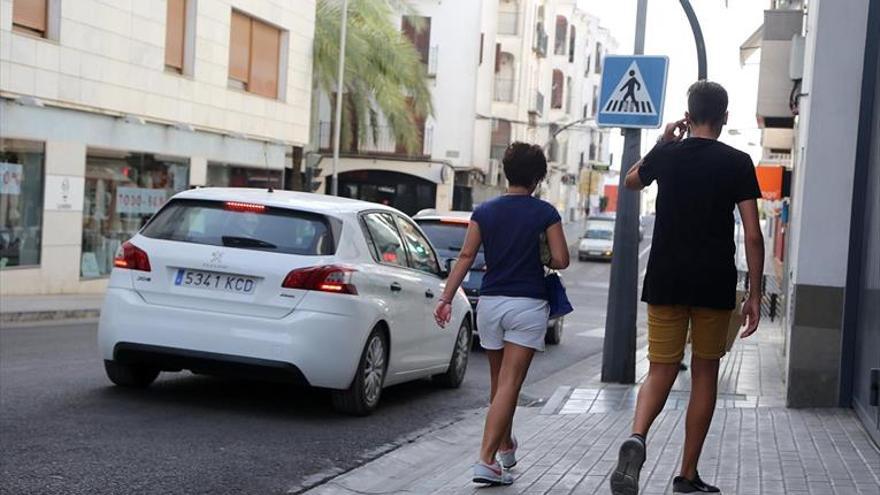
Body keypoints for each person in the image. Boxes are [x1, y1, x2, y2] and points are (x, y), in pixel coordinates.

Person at [610, 81, 764, 495]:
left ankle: (638, 436)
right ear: (726, 117)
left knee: (660, 368)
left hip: (665, 278)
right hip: (714, 282)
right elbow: (752, 234)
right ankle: (687, 475)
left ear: (688, 115)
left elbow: (630, 182)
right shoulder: (738, 162)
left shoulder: (668, 155)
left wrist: (661, 143)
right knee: (704, 373)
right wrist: (754, 293)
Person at [434, 142, 570, 486]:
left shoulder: (485, 211)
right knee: (510, 384)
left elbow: (465, 256)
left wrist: (446, 298)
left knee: (500, 385)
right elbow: (562, 260)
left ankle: (506, 445)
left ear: (506, 172)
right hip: (527, 305)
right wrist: (542, 257)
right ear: (538, 178)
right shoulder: (545, 213)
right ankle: (486, 460)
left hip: (490, 306)